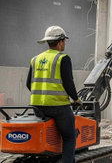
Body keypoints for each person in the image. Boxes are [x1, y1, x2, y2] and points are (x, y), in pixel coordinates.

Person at [27, 26, 81, 163]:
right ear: (60, 42)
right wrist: (76, 99)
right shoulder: (62, 58)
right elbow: (69, 83)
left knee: (46, 135)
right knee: (69, 137)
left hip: (37, 106)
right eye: (64, 42)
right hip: (58, 107)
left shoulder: (35, 59)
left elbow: (29, 84)